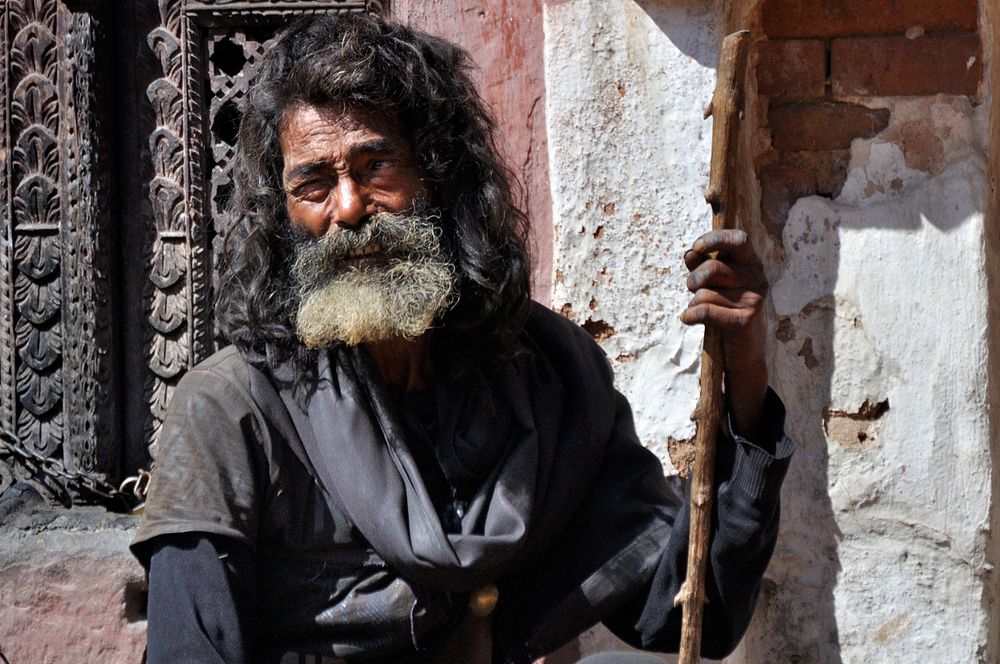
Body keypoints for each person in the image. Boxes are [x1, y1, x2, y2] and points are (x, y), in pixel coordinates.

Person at [131, 12, 793, 664]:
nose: (350, 207)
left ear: (439, 174)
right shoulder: (228, 412)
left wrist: (746, 378)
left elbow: (689, 617)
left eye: (376, 166)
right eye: (313, 184)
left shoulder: (545, 380)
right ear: (284, 214)